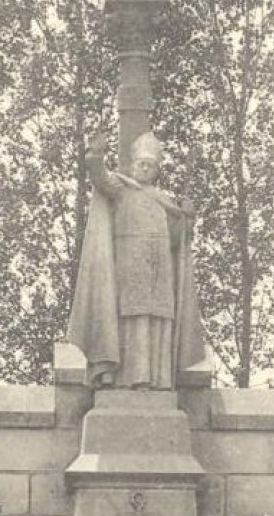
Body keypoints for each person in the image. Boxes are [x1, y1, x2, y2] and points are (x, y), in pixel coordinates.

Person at [66, 130, 205, 390]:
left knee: (156, 323)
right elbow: (101, 180)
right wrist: (95, 157)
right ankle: (125, 378)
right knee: (131, 321)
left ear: (156, 171)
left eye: (151, 166)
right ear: (132, 166)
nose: (145, 169)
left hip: (159, 271)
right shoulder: (122, 189)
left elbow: (177, 242)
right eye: (141, 163)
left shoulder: (164, 201)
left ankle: (156, 379)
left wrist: (186, 219)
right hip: (129, 268)